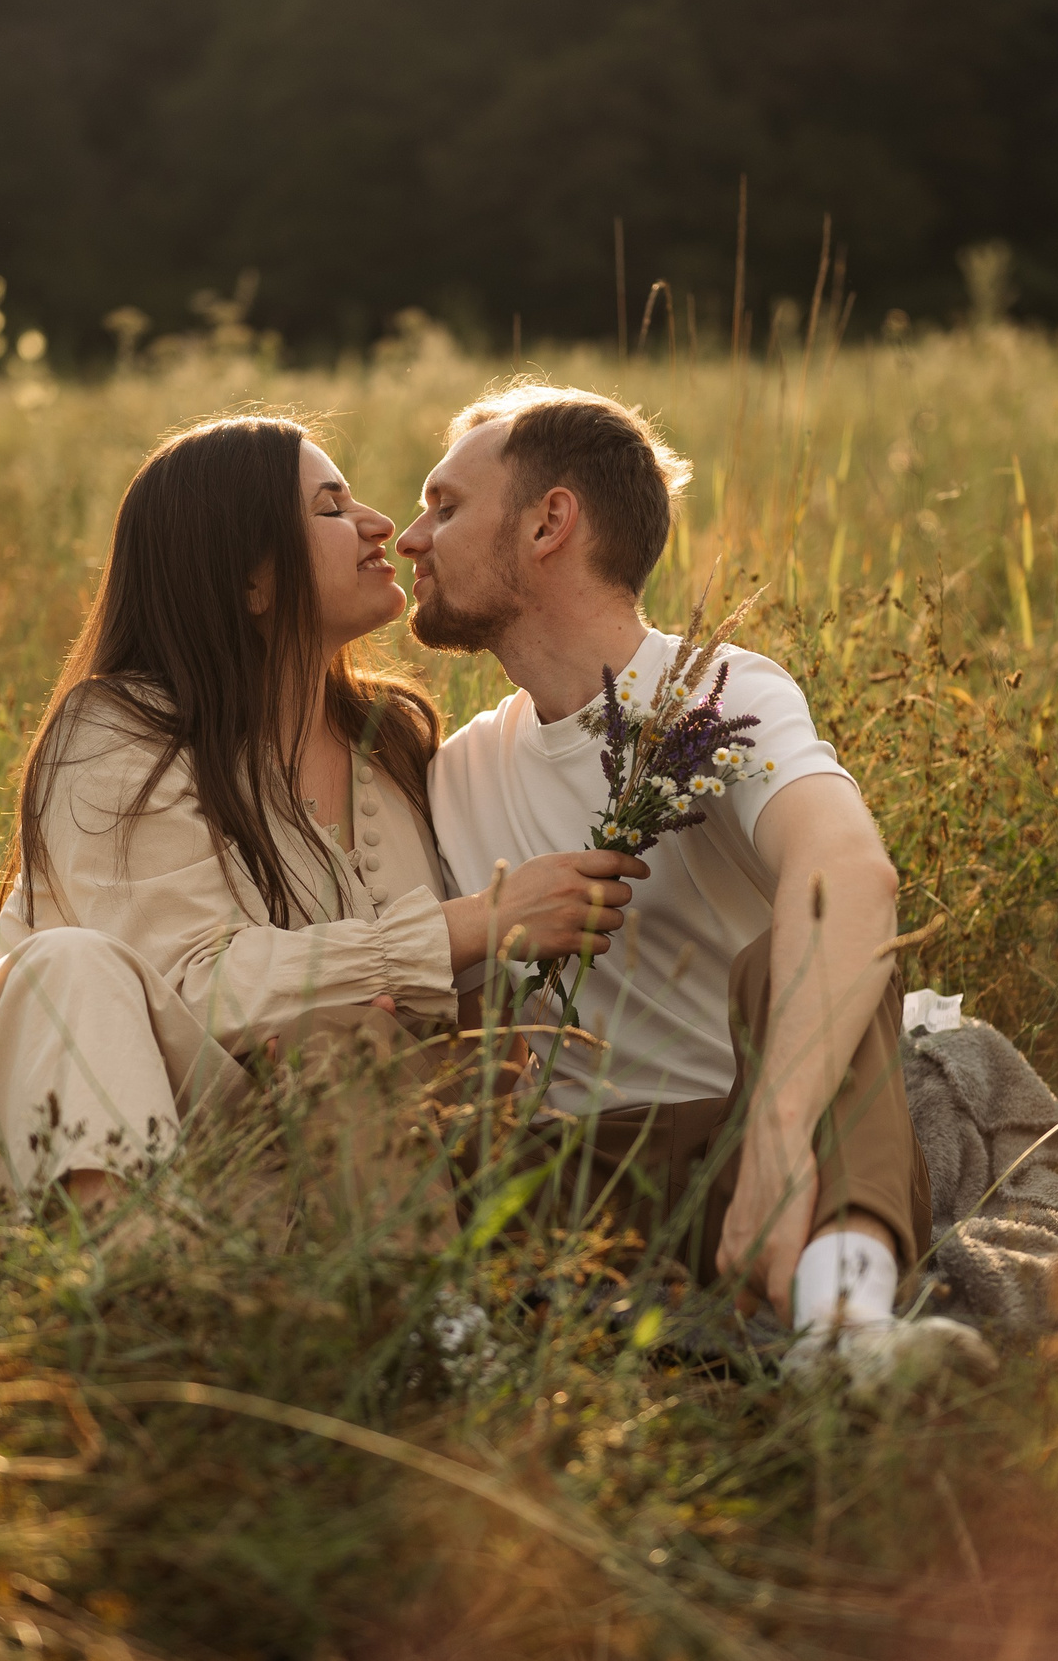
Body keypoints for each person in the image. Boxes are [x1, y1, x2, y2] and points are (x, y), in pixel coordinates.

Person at [0, 413, 638, 1248]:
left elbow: (414, 1012)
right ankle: (132, 1297)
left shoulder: (395, 743)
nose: (382, 524)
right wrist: (471, 925)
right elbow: (190, 986)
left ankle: (339, 1317)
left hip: (268, 1170)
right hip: (36, 1128)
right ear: (249, 580)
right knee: (72, 964)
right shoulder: (115, 734)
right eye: (331, 507)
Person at [397, 384, 994, 1384]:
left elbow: (849, 872)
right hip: (574, 1184)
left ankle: (843, 1328)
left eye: (445, 505)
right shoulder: (451, 772)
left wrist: (774, 1139)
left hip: (756, 1143)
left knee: (810, 951)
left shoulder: (716, 694)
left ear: (550, 522)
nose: (412, 537)